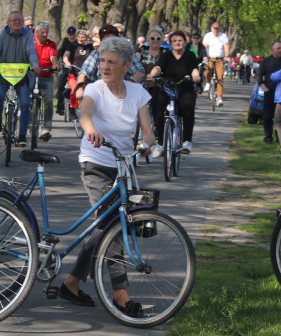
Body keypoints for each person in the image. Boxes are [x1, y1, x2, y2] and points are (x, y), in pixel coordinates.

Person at [60, 37, 155, 317]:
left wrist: (147, 143)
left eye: (111, 62)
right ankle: (121, 295)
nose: (104, 66)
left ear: (126, 66)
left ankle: (72, 283)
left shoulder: (138, 92)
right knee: (111, 224)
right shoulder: (95, 89)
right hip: (96, 162)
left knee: (105, 226)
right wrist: (91, 129)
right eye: (102, 60)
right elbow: (85, 114)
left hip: (124, 167)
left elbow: (148, 130)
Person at [0, 11, 40, 147]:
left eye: (19, 20)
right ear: (8, 23)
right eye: (14, 20)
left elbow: (31, 51)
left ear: (23, 23)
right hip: (4, 74)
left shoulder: (28, 34)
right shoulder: (1, 35)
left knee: (25, 103)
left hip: (22, 75)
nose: (17, 22)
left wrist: (34, 65)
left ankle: (22, 135)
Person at [147, 30, 201, 153]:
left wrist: (196, 76)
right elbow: (158, 67)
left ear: (185, 42)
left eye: (180, 40)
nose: (177, 43)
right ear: (170, 43)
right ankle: (160, 144)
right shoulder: (166, 55)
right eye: (174, 41)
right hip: (167, 88)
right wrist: (152, 74)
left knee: (187, 108)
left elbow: (194, 69)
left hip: (185, 88)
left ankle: (187, 141)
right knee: (158, 112)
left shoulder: (190, 55)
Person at [73, 25, 145, 103]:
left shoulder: (126, 53)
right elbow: (84, 72)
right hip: (101, 96)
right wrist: (80, 87)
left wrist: (129, 86)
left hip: (124, 96)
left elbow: (139, 72)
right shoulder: (96, 54)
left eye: (112, 39)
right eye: (102, 61)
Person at [255, 42, 281, 144]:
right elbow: (259, 75)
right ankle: (268, 137)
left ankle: (280, 137)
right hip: (270, 91)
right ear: (272, 50)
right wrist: (264, 87)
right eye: (278, 48)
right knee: (267, 116)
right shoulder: (266, 61)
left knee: (280, 117)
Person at [33, 21, 59, 141]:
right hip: (32, 75)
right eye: (42, 32)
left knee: (48, 102)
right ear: (36, 32)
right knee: (28, 99)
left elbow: (53, 57)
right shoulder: (30, 42)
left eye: (46, 32)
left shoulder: (51, 44)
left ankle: (47, 129)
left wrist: (55, 65)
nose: (45, 34)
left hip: (47, 76)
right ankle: (29, 119)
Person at [62, 29, 94, 114]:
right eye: (79, 37)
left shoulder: (90, 47)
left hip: (85, 74)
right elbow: (65, 56)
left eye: (83, 37)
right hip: (74, 73)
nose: (80, 39)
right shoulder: (72, 46)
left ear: (87, 38)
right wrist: (67, 62)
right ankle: (72, 109)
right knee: (74, 91)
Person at [202, 22, 230, 105]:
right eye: (214, 28)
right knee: (208, 70)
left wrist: (227, 55)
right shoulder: (208, 36)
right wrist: (203, 56)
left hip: (219, 59)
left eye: (217, 28)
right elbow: (204, 46)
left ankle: (219, 98)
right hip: (209, 58)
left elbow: (226, 46)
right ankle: (207, 82)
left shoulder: (223, 36)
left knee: (220, 77)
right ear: (211, 28)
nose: (216, 30)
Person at [55, 27, 78, 115]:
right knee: (61, 85)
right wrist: (57, 62)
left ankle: (72, 107)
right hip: (65, 66)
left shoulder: (77, 43)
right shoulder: (64, 41)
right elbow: (58, 51)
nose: (71, 36)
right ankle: (59, 107)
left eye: (73, 35)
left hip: (75, 67)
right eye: (70, 34)